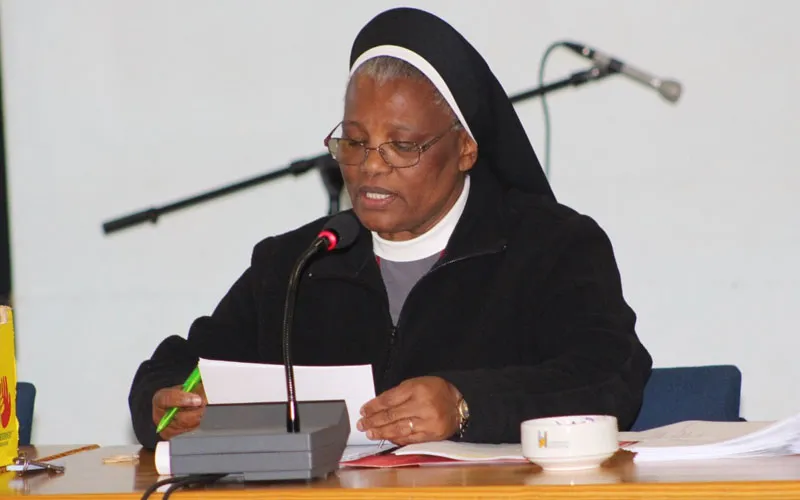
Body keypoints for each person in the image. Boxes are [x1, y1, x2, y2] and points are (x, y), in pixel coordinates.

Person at [128, 7, 652, 450]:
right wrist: (167, 403)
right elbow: (184, 365)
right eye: (355, 142)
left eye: (402, 146)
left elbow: (608, 376)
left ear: (465, 148)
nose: (371, 166)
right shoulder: (297, 263)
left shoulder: (552, 247)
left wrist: (465, 404)